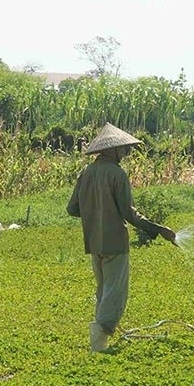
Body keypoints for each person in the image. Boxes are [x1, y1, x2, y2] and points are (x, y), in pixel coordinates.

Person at [66, 122, 177, 353]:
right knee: (114, 293)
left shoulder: (86, 173)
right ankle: (99, 341)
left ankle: (99, 338)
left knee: (103, 290)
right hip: (115, 241)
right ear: (111, 150)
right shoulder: (117, 174)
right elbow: (129, 213)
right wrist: (158, 229)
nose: (126, 153)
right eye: (123, 149)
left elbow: (72, 209)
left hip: (93, 242)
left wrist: (95, 210)